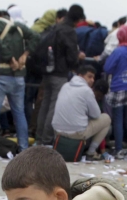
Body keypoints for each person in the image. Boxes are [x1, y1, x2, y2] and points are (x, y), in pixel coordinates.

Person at [0, 8, 38, 159]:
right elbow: (36, 37)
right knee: (19, 113)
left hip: (1, 75)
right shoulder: (19, 26)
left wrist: (10, 58)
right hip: (19, 77)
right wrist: (25, 55)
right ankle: (24, 148)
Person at [35, 4, 82, 146]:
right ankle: (47, 139)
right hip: (59, 73)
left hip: (47, 71)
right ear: (78, 19)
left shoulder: (55, 27)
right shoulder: (69, 31)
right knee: (54, 106)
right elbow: (72, 55)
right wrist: (77, 61)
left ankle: (39, 138)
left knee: (45, 104)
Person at [52, 65, 110, 160]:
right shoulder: (87, 90)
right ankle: (91, 152)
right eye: (89, 76)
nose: (92, 80)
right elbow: (96, 115)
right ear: (80, 76)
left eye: (93, 78)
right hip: (77, 133)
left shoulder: (65, 86)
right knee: (106, 118)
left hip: (57, 131)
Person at [103, 23, 127, 158]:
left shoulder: (118, 51)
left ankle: (119, 149)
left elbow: (107, 68)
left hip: (118, 87)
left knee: (118, 119)